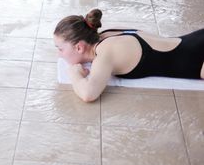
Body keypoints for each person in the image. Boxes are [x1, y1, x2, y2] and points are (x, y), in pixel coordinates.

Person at [54, 9, 204, 102]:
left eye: (60, 49)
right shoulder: (107, 34)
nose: (58, 55)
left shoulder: (106, 52)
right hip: (196, 40)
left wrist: (75, 74)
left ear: (79, 47)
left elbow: (88, 94)